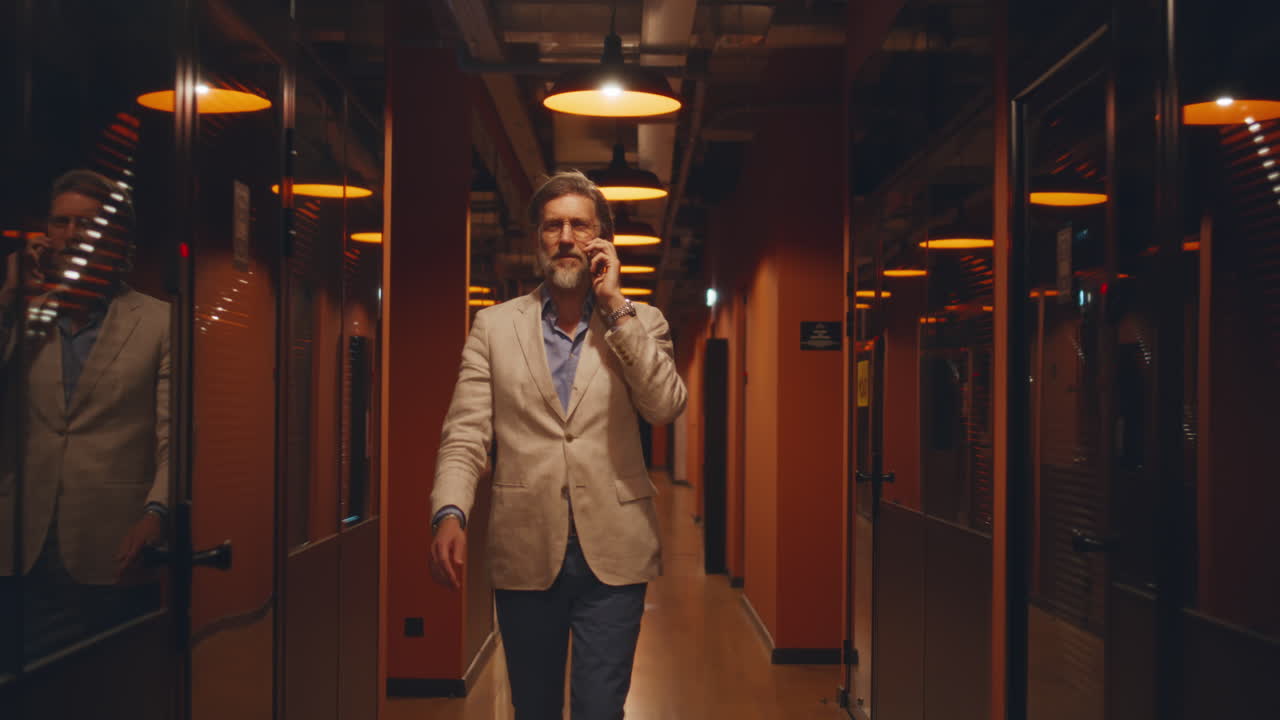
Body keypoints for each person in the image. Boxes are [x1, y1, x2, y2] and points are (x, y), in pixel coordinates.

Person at [429, 171, 687, 719]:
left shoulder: (642, 322)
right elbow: (466, 431)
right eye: (553, 226)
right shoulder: (494, 327)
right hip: (526, 548)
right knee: (535, 709)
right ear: (537, 240)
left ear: (602, 240)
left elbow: (664, 406)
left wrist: (616, 306)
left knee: (599, 710)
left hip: (615, 555)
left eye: (579, 225)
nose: (566, 237)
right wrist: (449, 510)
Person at [0, 168, 171, 658]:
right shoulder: (24, 316)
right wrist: (12, 297)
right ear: (43, 234)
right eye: (61, 222)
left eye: (88, 225)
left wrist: (156, 514)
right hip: (18, 548)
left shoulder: (159, 322)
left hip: (109, 550)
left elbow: (174, 435)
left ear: (116, 240)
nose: (72, 235)